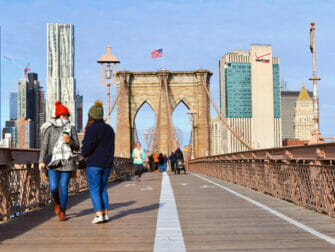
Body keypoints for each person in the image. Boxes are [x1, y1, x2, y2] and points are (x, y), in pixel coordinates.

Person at [39, 101, 80, 221]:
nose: (67, 118)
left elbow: (77, 146)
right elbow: (44, 146)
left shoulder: (71, 128)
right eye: (64, 115)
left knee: (63, 186)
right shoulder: (50, 129)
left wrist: (70, 142)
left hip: (67, 162)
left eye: (67, 116)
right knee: (53, 187)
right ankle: (57, 202)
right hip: (52, 162)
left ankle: (62, 211)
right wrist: (41, 160)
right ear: (59, 116)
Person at [81, 100, 115, 224]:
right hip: (107, 164)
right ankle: (105, 214)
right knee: (103, 188)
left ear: (92, 116)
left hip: (94, 164)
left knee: (94, 189)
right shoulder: (110, 129)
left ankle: (98, 214)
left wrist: (83, 154)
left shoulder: (91, 130)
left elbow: (86, 149)